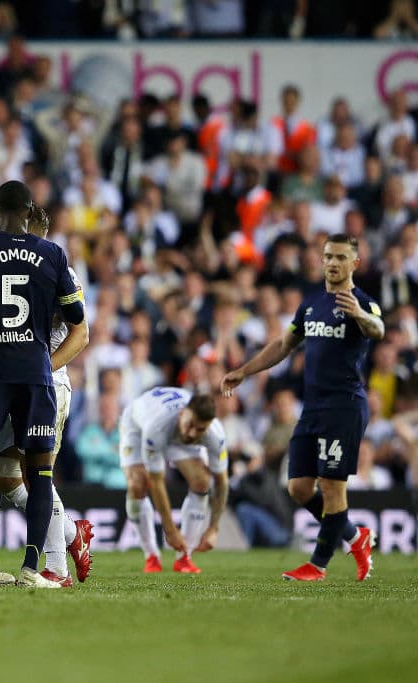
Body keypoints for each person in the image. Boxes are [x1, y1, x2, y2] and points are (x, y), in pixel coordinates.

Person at [222, 234, 382, 582]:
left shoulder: (363, 303)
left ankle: (318, 565)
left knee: (331, 486)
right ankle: (356, 537)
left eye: (341, 256)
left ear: (354, 263)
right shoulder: (311, 305)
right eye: (328, 256)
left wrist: (359, 314)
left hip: (344, 407)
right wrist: (244, 372)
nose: (333, 262)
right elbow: (283, 344)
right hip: (312, 409)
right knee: (298, 487)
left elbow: (378, 329)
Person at [0, 180, 86, 588]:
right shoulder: (52, 253)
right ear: (29, 212)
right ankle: (33, 568)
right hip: (34, 372)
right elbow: (75, 315)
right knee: (40, 473)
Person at [0, 204, 94, 587]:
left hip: (47, 384)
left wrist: (45, 368)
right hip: (9, 383)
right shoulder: (3, 266)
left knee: (36, 474)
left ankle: (56, 568)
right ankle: (70, 534)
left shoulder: (60, 270)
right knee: (3, 477)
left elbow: (81, 333)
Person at [118, 388, 230, 574]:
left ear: (208, 426)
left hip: (174, 434)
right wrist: (170, 530)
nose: (193, 433)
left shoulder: (215, 435)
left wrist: (214, 528)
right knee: (137, 484)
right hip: (137, 427)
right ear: (182, 413)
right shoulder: (156, 426)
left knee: (202, 481)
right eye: (190, 425)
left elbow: (222, 482)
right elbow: (157, 481)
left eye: (200, 429)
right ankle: (151, 556)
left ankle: (184, 558)